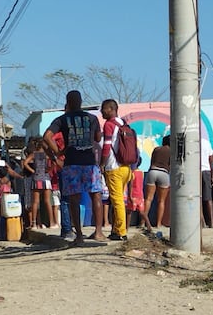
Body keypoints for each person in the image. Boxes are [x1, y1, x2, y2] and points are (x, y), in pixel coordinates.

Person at [43, 90, 106, 246]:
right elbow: (98, 138)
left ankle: (78, 235)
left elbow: (46, 137)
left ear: (68, 102)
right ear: (81, 101)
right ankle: (98, 232)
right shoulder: (92, 118)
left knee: (74, 199)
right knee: (96, 196)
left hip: (71, 163)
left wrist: (58, 153)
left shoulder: (62, 119)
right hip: (90, 163)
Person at [100, 99, 133, 241]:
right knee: (118, 200)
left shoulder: (109, 124)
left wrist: (101, 163)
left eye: (103, 109)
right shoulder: (123, 123)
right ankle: (116, 229)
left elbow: (106, 147)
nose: (101, 111)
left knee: (117, 200)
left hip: (114, 167)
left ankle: (121, 232)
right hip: (126, 167)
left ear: (110, 109)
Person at [140, 135, 171, 235]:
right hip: (164, 173)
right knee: (161, 201)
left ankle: (142, 222)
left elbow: (151, 162)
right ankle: (158, 224)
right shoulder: (171, 151)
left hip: (152, 171)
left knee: (148, 199)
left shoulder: (156, 149)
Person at [23, 138, 54, 230]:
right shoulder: (47, 155)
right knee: (47, 201)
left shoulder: (34, 154)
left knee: (35, 202)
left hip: (37, 178)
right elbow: (54, 162)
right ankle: (52, 222)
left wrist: (33, 170)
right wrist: (49, 169)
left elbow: (25, 163)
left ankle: (34, 223)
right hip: (46, 178)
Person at [201, 139, 213, 228]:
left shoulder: (191, 141)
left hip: (196, 171)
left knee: (197, 198)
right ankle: (211, 221)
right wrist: (212, 175)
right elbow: (211, 159)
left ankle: (202, 221)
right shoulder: (206, 143)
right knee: (208, 198)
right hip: (206, 170)